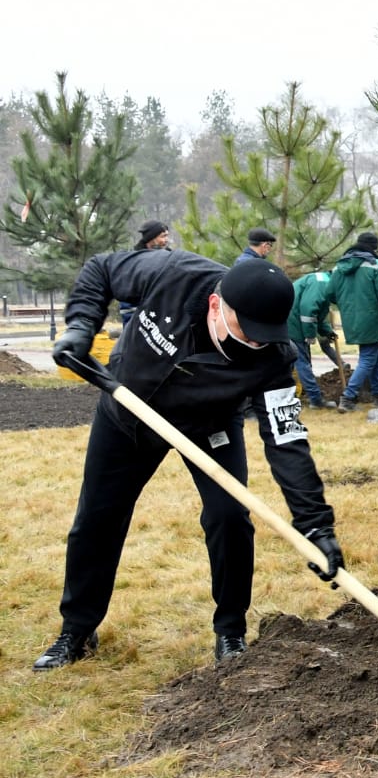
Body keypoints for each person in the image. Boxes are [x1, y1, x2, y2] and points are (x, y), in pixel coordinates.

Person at [35, 251, 344, 670]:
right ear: (217, 304)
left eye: (264, 334)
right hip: (127, 414)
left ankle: (231, 632)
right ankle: (77, 629)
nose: (255, 342)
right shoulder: (172, 275)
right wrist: (80, 327)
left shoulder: (274, 357)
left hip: (209, 427)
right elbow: (99, 268)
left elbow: (286, 441)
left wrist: (315, 525)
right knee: (96, 520)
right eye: (246, 331)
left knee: (230, 519)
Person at [326, 232, 378, 413]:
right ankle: (348, 397)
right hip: (372, 319)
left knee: (373, 356)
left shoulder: (338, 268)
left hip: (351, 320)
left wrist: (348, 307)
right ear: (374, 248)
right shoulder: (376, 266)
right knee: (368, 358)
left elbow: (329, 294)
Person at [289, 270, 337, 409]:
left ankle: (290, 397)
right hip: (293, 325)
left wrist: (327, 332)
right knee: (302, 362)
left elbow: (318, 313)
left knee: (292, 363)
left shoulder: (324, 283)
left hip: (292, 323)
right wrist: (310, 334)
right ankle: (316, 400)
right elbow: (308, 311)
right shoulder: (321, 283)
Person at [120, 221, 171, 325]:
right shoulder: (133, 262)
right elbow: (126, 298)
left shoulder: (171, 258)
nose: (166, 240)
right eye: (163, 236)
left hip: (165, 320)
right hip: (138, 320)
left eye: (167, 236)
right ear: (151, 238)